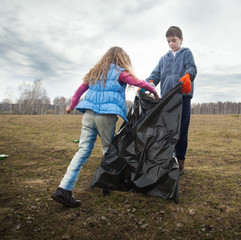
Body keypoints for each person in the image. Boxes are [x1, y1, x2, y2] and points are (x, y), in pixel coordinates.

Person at [51, 46, 159, 207]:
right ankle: (106, 183)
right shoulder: (120, 72)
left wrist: (71, 106)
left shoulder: (96, 72)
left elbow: (79, 91)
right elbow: (137, 82)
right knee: (108, 150)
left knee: (82, 151)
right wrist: (153, 91)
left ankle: (64, 188)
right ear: (121, 59)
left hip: (88, 114)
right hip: (105, 116)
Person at [145, 26, 197, 176]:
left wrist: (188, 76)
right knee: (166, 130)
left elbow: (192, 68)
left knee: (181, 130)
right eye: (168, 41)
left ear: (181, 39)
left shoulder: (187, 53)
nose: (171, 44)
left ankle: (180, 162)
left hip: (182, 97)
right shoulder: (164, 58)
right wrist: (147, 85)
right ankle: (166, 160)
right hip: (166, 99)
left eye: (174, 40)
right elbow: (155, 75)